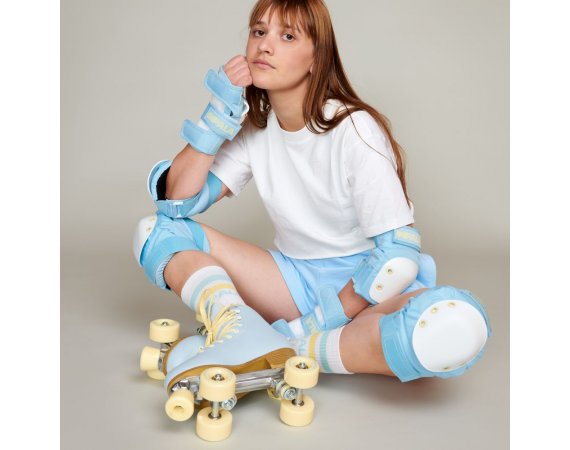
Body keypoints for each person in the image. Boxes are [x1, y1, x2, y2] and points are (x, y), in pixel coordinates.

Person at [134, 0, 490, 386]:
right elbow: (177, 202)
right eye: (259, 32)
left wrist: (310, 325)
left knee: (456, 325)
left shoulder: (354, 128)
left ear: (316, 60)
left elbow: (398, 258)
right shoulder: (256, 129)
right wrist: (217, 114)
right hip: (292, 282)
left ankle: (287, 347)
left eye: (287, 36)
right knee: (156, 231)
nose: (265, 45)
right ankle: (238, 328)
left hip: (366, 288)